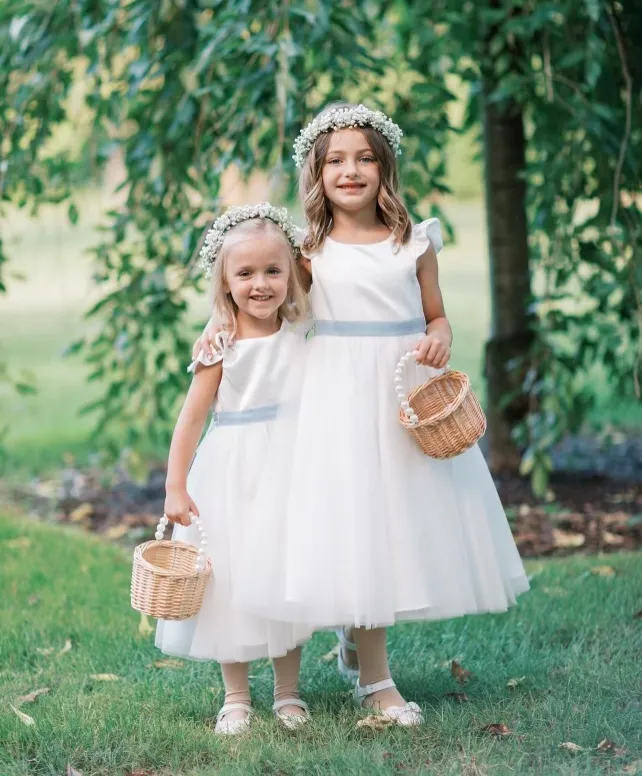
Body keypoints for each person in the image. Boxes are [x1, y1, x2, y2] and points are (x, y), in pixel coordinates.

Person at [195, 104, 530, 727]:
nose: (351, 171)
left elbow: (436, 314)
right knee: (352, 523)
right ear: (317, 174)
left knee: (391, 524)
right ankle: (361, 663)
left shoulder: (414, 241)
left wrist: (441, 334)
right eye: (336, 161)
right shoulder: (308, 249)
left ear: (385, 167)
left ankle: (372, 671)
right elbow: (264, 303)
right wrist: (218, 328)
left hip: (398, 392)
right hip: (331, 399)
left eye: (365, 158)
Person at [156, 204, 313, 735]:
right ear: (225, 283)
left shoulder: (302, 333)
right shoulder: (220, 347)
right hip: (231, 472)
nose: (261, 284)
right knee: (231, 581)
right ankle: (237, 696)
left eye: (273, 270)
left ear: (291, 273)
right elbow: (190, 420)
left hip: (289, 468)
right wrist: (176, 485)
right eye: (244, 274)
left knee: (285, 579)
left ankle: (288, 693)